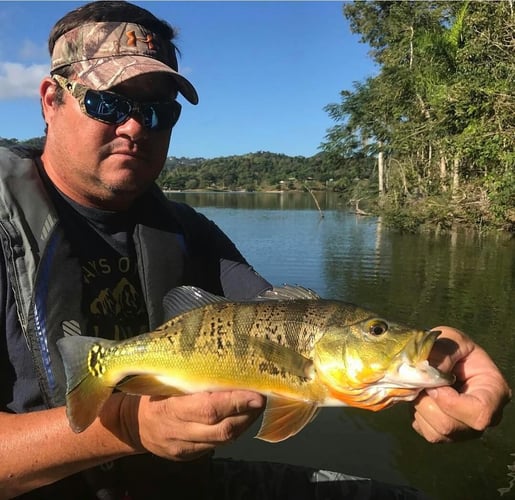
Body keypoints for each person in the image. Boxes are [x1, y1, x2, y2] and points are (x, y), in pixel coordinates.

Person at [0, 2, 510, 499]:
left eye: (158, 111)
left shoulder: (186, 232)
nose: (135, 127)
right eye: (107, 103)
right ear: (51, 99)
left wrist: (439, 352)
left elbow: (295, 325)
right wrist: (128, 428)